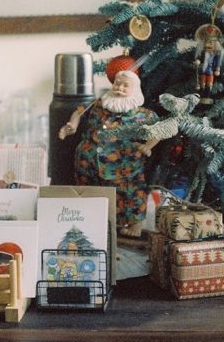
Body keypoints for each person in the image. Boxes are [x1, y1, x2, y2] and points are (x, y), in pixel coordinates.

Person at [59, 70, 159, 236]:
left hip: (122, 163)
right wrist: (72, 125)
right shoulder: (98, 103)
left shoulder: (143, 114)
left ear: (135, 90)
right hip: (88, 161)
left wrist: (148, 146)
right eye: (117, 83)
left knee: (129, 192)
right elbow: (79, 111)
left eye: (125, 85)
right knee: (89, 193)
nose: (119, 87)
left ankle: (135, 223)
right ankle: (93, 224)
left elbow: (160, 130)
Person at [194, 24, 224, 104]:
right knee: (202, 84)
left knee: (209, 84)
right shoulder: (203, 52)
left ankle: (207, 96)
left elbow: (217, 61)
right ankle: (202, 96)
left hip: (210, 70)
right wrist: (198, 61)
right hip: (203, 71)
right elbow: (199, 58)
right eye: (206, 43)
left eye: (210, 43)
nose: (208, 45)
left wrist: (217, 69)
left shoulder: (216, 53)